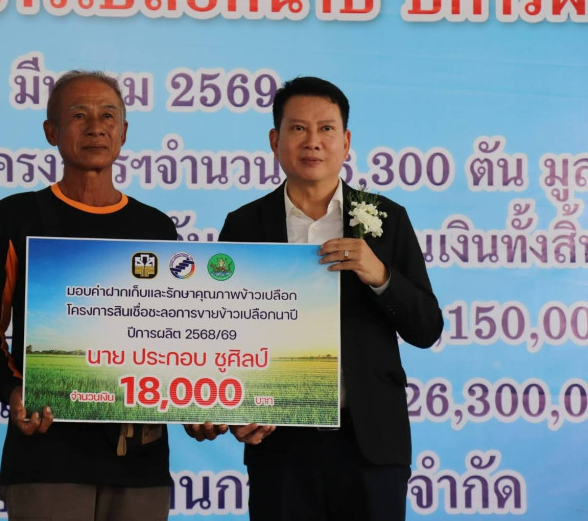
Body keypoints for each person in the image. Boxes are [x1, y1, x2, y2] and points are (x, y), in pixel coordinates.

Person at [186, 76, 443, 521]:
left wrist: (379, 275)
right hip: (280, 443)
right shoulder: (245, 225)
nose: (312, 141)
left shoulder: (387, 219)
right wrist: (233, 408)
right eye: (298, 128)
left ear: (346, 142)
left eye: (326, 129)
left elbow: (427, 328)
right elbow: (223, 333)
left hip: (370, 444)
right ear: (275, 140)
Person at [0, 70, 178, 521]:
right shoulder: (17, 216)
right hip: (47, 454)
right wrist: (13, 390)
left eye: (108, 116)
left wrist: (205, 405)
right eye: (79, 116)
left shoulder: (155, 228)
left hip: (140, 461)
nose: (96, 127)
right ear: (52, 132)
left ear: (123, 133)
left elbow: (172, 337)